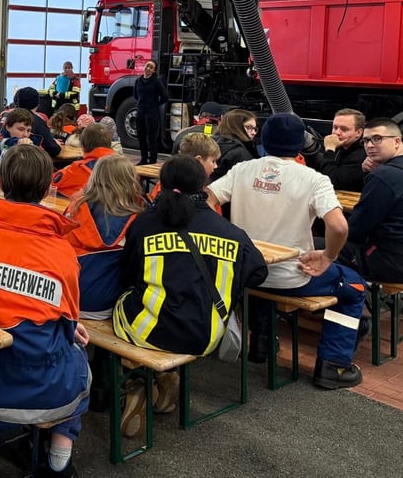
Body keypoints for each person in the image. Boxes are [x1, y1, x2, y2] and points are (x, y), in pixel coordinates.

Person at [0, 144, 90, 478]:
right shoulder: (60, 252)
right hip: (45, 393)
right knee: (82, 356)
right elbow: (67, 316)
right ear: (47, 189)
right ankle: (60, 455)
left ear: (0, 183)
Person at [207, 113, 367, 389]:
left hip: (246, 272)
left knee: (262, 277)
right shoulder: (314, 179)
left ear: (263, 139)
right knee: (355, 286)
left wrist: (229, 237)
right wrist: (328, 256)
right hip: (293, 278)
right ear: (301, 145)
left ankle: (261, 345)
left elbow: (208, 197)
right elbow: (339, 227)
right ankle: (333, 365)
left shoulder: (242, 170)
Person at [114, 156, 267, 434]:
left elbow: (127, 274)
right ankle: (164, 379)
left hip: (146, 331)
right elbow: (258, 273)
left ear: (161, 184)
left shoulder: (144, 223)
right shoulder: (230, 231)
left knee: (115, 305)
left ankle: (135, 384)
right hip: (205, 337)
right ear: (204, 184)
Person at [338, 118, 403, 284]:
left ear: (397, 141)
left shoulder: (384, 176)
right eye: (365, 141)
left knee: (322, 247)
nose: (370, 145)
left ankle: (338, 304)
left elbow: (358, 228)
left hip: (394, 265)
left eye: (377, 138)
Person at [65, 154, 146, 320]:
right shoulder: (135, 218)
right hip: (100, 305)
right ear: (130, 180)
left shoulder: (74, 208)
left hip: (65, 297)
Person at [307, 108, 368, 191]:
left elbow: (333, 183)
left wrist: (329, 150)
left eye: (344, 129)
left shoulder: (362, 154)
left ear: (358, 133)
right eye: (335, 128)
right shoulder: (340, 147)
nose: (337, 133)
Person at [51, 124, 116, 197]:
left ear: (82, 145)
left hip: (79, 205)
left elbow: (51, 183)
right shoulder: (124, 168)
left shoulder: (77, 169)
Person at [133, 60, 168, 165]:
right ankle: (143, 158)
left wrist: (155, 104)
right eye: (147, 66)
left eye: (151, 67)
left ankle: (152, 160)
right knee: (141, 136)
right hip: (141, 111)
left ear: (154, 71)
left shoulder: (156, 81)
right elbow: (135, 95)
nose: (148, 68)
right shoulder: (138, 81)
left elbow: (165, 96)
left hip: (152, 112)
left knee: (151, 137)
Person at [0, 108, 39, 176]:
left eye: (28, 130)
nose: (25, 134)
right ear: (8, 127)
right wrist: (18, 142)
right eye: (21, 129)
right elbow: (3, 144)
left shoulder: (33, 143)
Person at [211, 108, 259, 181]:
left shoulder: (212, 142)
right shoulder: (240, 153)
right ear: (236, 126)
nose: (254, 133)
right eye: (248, 127)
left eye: (255, 129)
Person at [13, 86, 61, 158]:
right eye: (21, 129)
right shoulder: (36, 121)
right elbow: (53, 149)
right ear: (38, 104)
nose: (25, 134)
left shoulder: (7, 115)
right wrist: (56, 144)